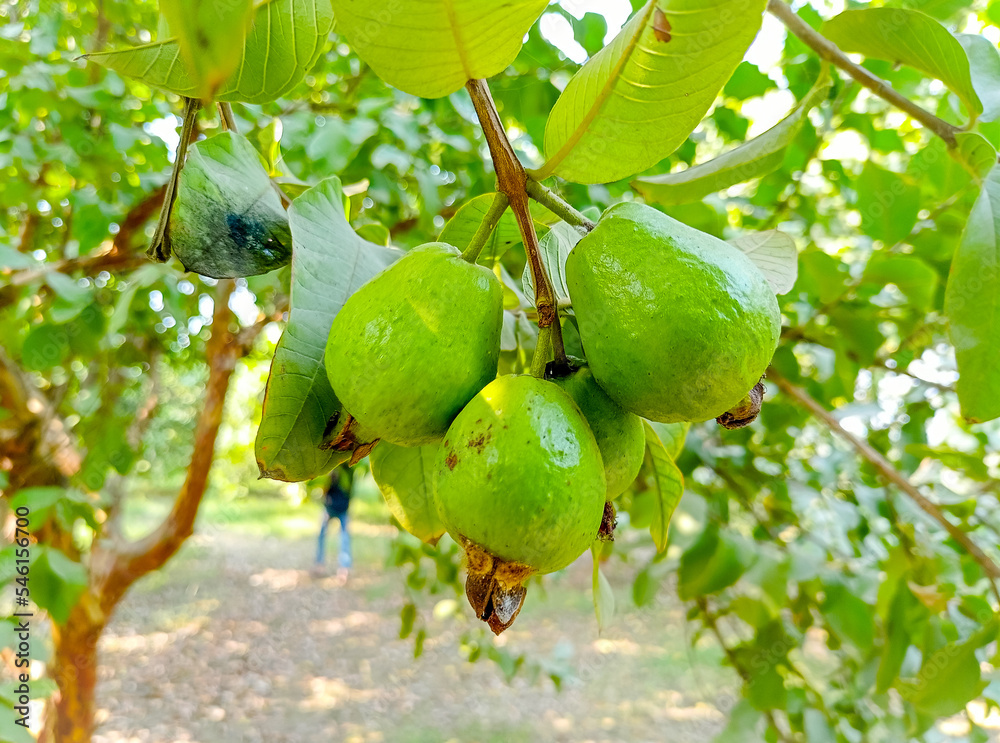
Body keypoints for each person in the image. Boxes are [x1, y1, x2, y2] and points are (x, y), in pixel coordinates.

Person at [312, 467, 353, 582]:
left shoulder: (348, 469)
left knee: (344, 538)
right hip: (329, 508)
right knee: (322, 536)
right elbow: (323, 488)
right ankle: (319, 564)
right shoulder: (328, 469)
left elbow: (350, 487)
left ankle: (344, 568)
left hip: (342, 508)